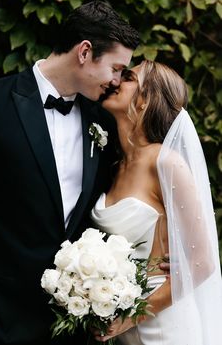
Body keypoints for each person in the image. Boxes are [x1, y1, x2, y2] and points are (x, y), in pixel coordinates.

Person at [0, 1, 140, 345]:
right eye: (116, 68)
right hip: (0, 317)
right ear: (85, 52)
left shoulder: (103, 122)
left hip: (71, 325)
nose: (117, 82)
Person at [91, 60, 222, 345]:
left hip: (165, 324)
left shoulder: (167, 163)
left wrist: (128, 318)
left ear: (145, 101)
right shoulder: (114, 165)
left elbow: (202, 262)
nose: (114, 80)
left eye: (127, 78)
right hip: (123, 324)